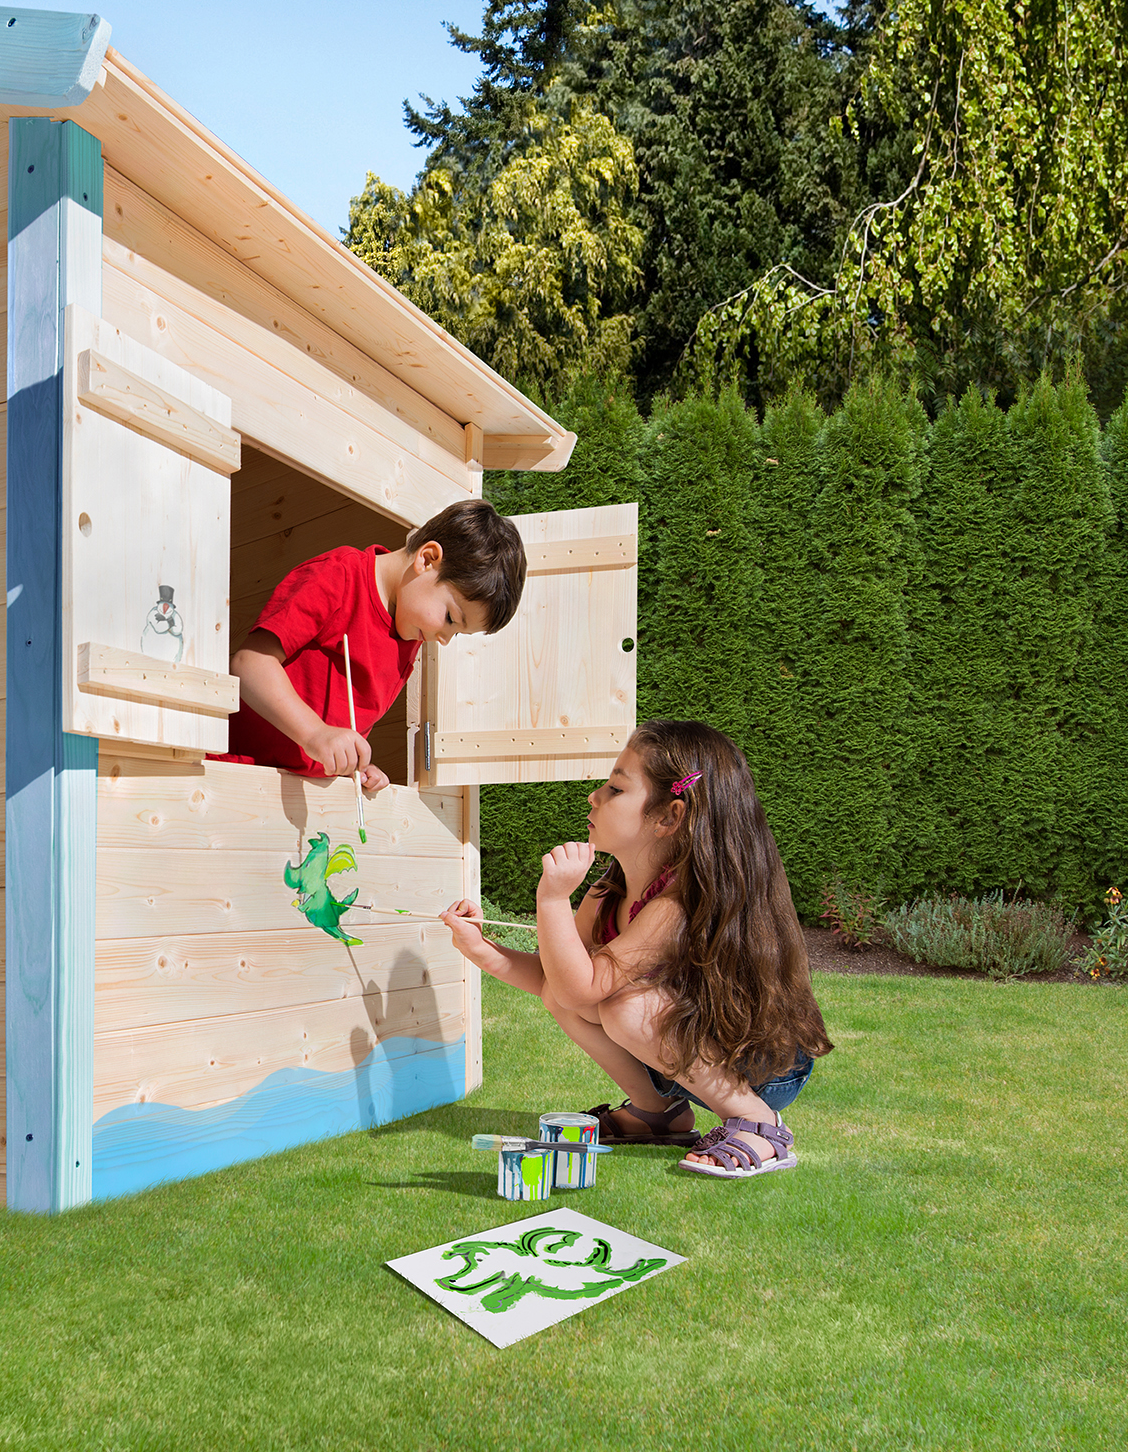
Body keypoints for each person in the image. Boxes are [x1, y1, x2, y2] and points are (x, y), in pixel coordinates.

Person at [440, 719, 832, 1178]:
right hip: (686, 1058)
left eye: (615, 789)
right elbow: (560, 984)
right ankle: (659, 1113)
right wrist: (484, 950)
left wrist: (551, 899)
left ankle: (760, 1126)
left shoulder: (678, 904)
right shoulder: (610, 890)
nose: (594, 797)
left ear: (669, 817)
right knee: (570, 996)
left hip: (760, 1064)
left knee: (622, 1006)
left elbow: (585, 988)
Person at [219, 499, 528, 790]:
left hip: (294, 794)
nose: (445, 640)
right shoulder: (340, 577)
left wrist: (355, 764)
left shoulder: (409, 631)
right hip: (233, 772)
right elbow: (250, 664)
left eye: (459, 634)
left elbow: (340, 726)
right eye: (450, 618)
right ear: (427, 559)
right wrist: (315, 733)